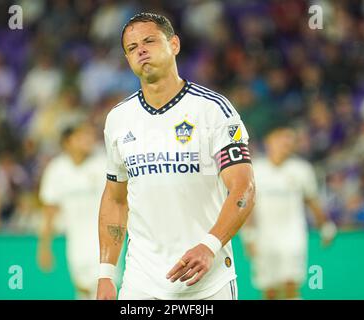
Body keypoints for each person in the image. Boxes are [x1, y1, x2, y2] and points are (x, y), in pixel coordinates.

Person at [97, 13, 255, 300]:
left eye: (149, 41)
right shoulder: (118, 119)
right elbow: (115, 199)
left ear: (174, 44)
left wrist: (209, 245)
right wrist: (107, 274)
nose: (141, 50)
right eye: (132, 48)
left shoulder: (214, 111)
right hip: (140, 282)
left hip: (208, 282)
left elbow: (243, 188)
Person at [240, 125, 337, 300]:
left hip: (293, 235)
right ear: (269, 141)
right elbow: (248, 205)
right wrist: (249, 235)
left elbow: (311, 200)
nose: (285, 143)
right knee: (269, 289)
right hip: (264, 237)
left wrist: (325, 225)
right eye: (280, 139)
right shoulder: (255, 169)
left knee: (291, 283)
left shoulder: (302, 170)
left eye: (289, 140)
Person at [37, 121, 106, 299]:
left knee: (103, 290)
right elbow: (50, 210)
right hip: (75, 242)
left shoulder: (103, 163)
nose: (88, 140)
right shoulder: (56, 169)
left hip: (105, 241)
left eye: (90, 136)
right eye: (82, 136)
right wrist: (44, 247)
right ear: (67, 142)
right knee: (82, 290)